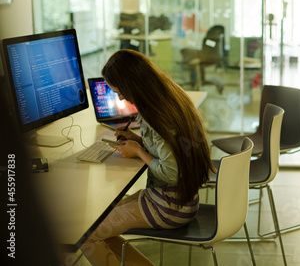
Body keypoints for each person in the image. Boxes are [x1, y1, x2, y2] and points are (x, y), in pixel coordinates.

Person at [81, 49, 215, 266]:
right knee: (98, 222)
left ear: (132, 84)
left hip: (168, 207)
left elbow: (171, 173)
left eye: (120, 91)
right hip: (183, 200)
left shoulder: (155, 115)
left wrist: (138, 151)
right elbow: (171, 151)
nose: (121, 97)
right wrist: (138, 140)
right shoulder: (169, 96)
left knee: (88, 233)